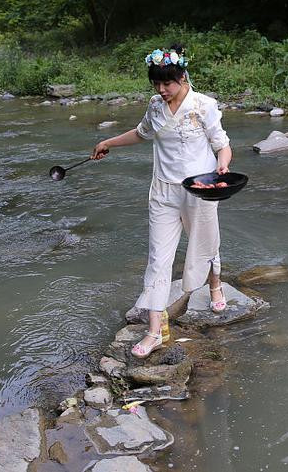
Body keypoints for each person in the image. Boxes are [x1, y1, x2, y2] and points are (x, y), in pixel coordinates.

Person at [91, 44, 232, 358]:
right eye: (156, 83)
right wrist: (107, 142)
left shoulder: (203, 105)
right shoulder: (155, 106)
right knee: (158, 257)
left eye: (167, 83)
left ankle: (215, 285)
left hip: (201, 189)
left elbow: (222, 144)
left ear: (182, 77)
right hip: (163, 192)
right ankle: (155, 331)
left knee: (207, 242)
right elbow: (142, 133)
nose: (161, 89)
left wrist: (223, 164)